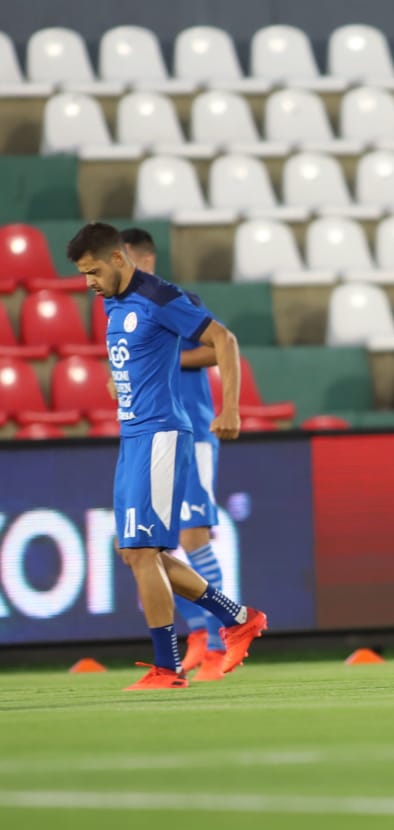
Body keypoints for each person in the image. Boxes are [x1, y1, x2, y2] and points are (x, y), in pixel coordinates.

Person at [68, 222, 268, 690]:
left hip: (161, 435)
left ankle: (168, 667)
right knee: (135, 552)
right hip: (133, 435)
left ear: (119, 258)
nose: (89, 283)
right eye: (83, 275)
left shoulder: (159, 296)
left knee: (143, 552)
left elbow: (225, 339)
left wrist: (230, 409)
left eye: (93, 272)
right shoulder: (113, 302)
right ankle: (238, 619)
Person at [122, 228, 229, 681]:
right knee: (148, 547)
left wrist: (166, 360)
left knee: (192, 536)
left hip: (193, 427)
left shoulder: (174, 299)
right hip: (155, 432)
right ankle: (204, 634)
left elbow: (215, 348)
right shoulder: (126, 308)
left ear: (144, 260)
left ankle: (219, 640)